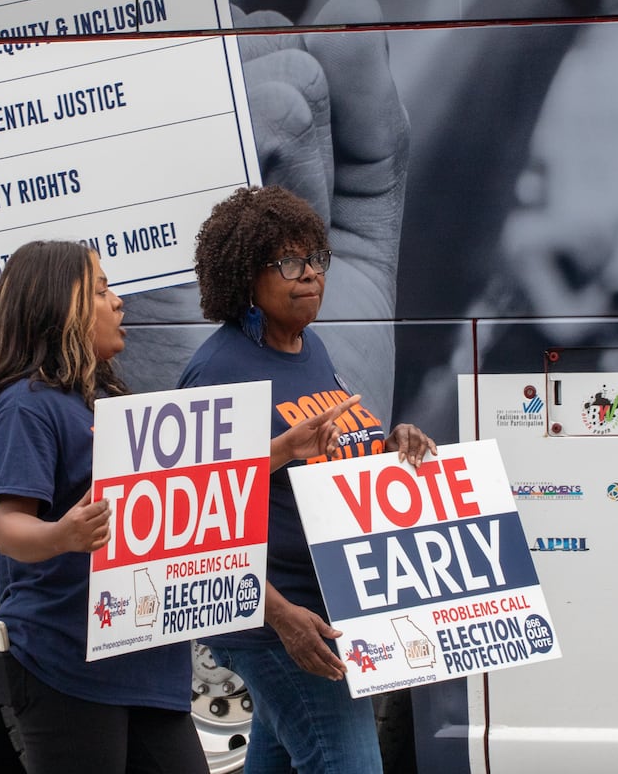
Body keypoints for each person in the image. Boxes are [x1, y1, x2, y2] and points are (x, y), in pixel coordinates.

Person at [177, 185, 437, 774]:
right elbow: (193, 523)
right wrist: (281, 616)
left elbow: (336, 454)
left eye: (315, 259)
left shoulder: (309, 348)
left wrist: (393, 443)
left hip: (329, 606)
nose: (310, 276)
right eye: (288, 263)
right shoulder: (219, 372)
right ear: (247, 275)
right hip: (278, 626)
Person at [0, 239, 209, 774]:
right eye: (101, 290)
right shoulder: (26, 407)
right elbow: (8, 528)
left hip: (146, 657)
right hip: (65, 660)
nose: (119, 302)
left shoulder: (108, 401)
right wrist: (64, 535)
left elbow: (194, 485)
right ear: (59, 310)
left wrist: (285, 448)